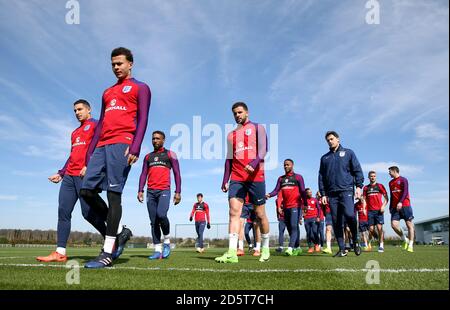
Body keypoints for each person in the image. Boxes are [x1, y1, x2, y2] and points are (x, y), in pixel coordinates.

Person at [81, 47, 151, 268]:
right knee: (86, 191)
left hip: (123, 144)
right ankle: (121, 232)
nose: (116, 67)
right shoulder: (107, 92)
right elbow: (101, 122)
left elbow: (143, 119)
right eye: (113, 64)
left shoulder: (141, 87)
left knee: (113, 196)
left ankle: (108, 251)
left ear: (131, 64)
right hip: (102, 144)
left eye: (120, 63)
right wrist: (90, 151)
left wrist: (136, 147)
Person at [37, 100, 110, 262]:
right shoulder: (75, 133)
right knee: (63, 212)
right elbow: (72, 155)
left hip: (84, 175)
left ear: (89, 110)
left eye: (80, 109)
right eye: (75, 110)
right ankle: (60, 252)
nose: (77, 113)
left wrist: (90, 167)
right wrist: (61, 173)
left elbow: (100, 148)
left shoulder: (96, 125)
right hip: (69, 177)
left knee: (87, 214)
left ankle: (111, 239)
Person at [216, 102, 270, 263]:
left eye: (240, 112)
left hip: (256, 176)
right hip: (237, 177)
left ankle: (265, 249)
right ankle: (232, 252)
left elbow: (264, 149)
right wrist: (225, 179)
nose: (237, 115)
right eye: (234, 113)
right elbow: (228, 159)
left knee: (260, 215)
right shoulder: (231, 135)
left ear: (247, 112)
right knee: (234, 213)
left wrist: (253, 164)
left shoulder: (258, 127)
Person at [318, 131, 364, 257]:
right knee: (336, 221)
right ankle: (342, 248)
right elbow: (321, 177)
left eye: (332, 139)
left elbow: (357, 171)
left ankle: (355, 239)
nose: (330, 141)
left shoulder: (349, 153)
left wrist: (359, 186)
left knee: (350, 214)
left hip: (346, 190)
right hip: (331, 194)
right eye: (328, 140)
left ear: (338, 139)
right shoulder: (324, 158)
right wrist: (323, 194)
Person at [138, 131, 181, 259]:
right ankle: (157, 250)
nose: (155, 141)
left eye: (157, 138)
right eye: (153, 139)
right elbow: (143, 174)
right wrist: (140, 189)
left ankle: (166, 241)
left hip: (164, 190)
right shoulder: (147, 157)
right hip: (150, 192)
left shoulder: (170, 154)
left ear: (163, 140)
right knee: (153, 222)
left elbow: (177, 174)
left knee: (161, 215)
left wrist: (178, 192)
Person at [266, 159, 308, 256]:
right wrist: (269, 195)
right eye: (284, 165)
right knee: (290, 228)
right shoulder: (281, 179)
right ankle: (297, 247)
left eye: (288, 165)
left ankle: (290, 248)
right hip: (286, 208)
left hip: (296, 206)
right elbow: (276, 190)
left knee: (294, 226)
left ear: (292, 165)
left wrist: (305, 204)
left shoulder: (298, 177)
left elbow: (302, 191)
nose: (286, 166)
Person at [388, 166, 414, 253]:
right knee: (393, 225)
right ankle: (404, 239)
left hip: (405, 205)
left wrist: (400, 202)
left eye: (390, 172)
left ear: (395, 171)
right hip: (395, 208)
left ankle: (410, 244)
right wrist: (390, 206)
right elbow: (392, 196)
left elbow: (405, 191)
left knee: (409, 225)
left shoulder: (403, 180)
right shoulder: (390, 182)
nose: (389, 173)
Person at [363, 171, 388, 252]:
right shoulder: (366, 188)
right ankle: (378, 238)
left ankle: (381, 245)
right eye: (371, 176)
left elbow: (386, 198)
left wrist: (383, 206)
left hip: (379, 211)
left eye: (374, 176)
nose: (372, 177)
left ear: (376, 177)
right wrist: (364, 208)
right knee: (371, 229)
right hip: (370, 211)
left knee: (380, 228)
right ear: (368, 177)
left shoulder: (380, 186)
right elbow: (364, 200)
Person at [303, 188, 321, 253]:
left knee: (314, 232)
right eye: (309, 192)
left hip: (313, 218)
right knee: (308, 234)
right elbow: (302, 209)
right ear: (306, 193)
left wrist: (318, 217)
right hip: (306, 219)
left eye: (311, 192)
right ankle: (310, 247)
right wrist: (300, 217)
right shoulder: (303, 200)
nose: (310, 193)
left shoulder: (315, 200)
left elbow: (319, 209)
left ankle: (316, 245)